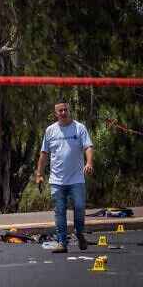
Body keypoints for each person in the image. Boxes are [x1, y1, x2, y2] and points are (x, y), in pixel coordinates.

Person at [36, 100, 94, 253]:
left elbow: (88, 146)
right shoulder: (50, 130)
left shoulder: (79, 128)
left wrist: (89, 163)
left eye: (65, 110)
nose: (63, 113)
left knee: (79, 207)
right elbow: (44, 154)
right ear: (56, 113)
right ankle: (62, 242)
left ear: (69, 111)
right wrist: (39, 174)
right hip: (57, 180)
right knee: (59, 211)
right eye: (60, 110)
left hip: (76, 178)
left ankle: (79, 232)